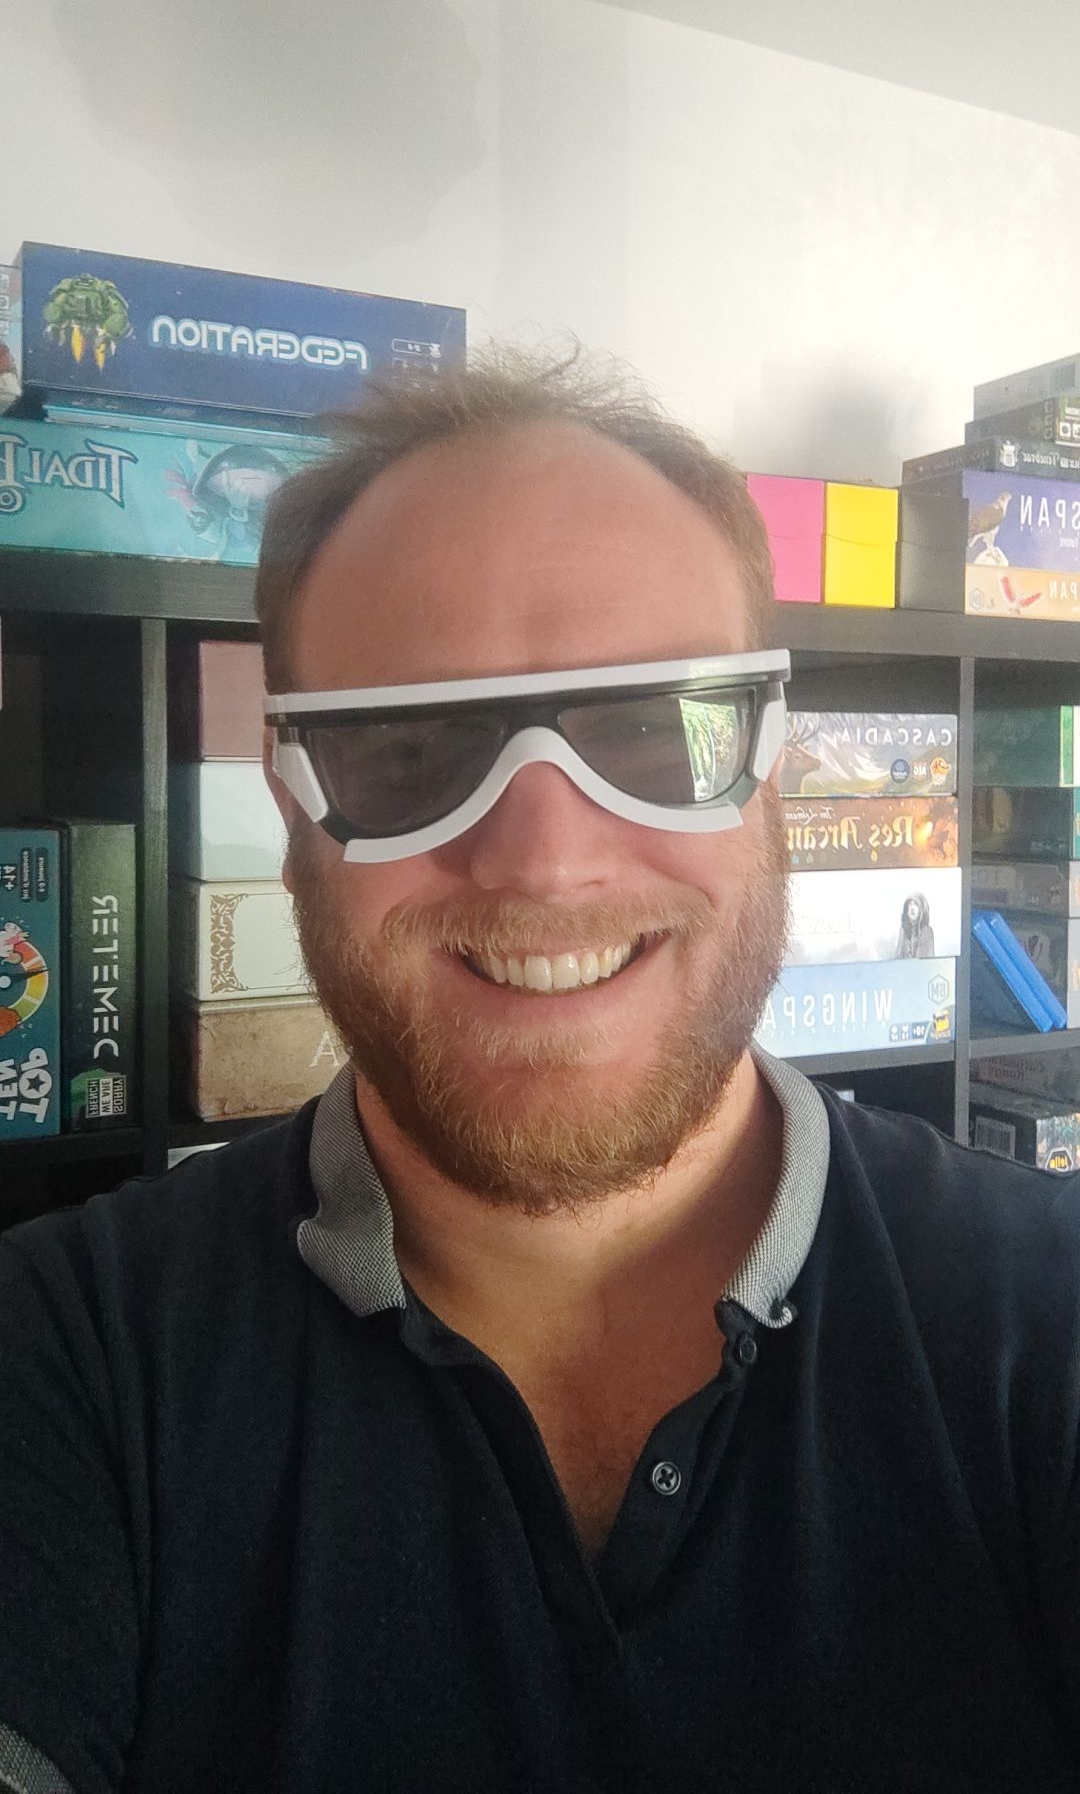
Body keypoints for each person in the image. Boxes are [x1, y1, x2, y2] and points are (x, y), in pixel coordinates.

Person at [1, 350, 1079, 1794]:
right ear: (293, 803)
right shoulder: (59, 1361)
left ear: (771, 765)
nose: (545, 861)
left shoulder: (1050, 1320)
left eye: (652, 729)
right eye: (408, 749)